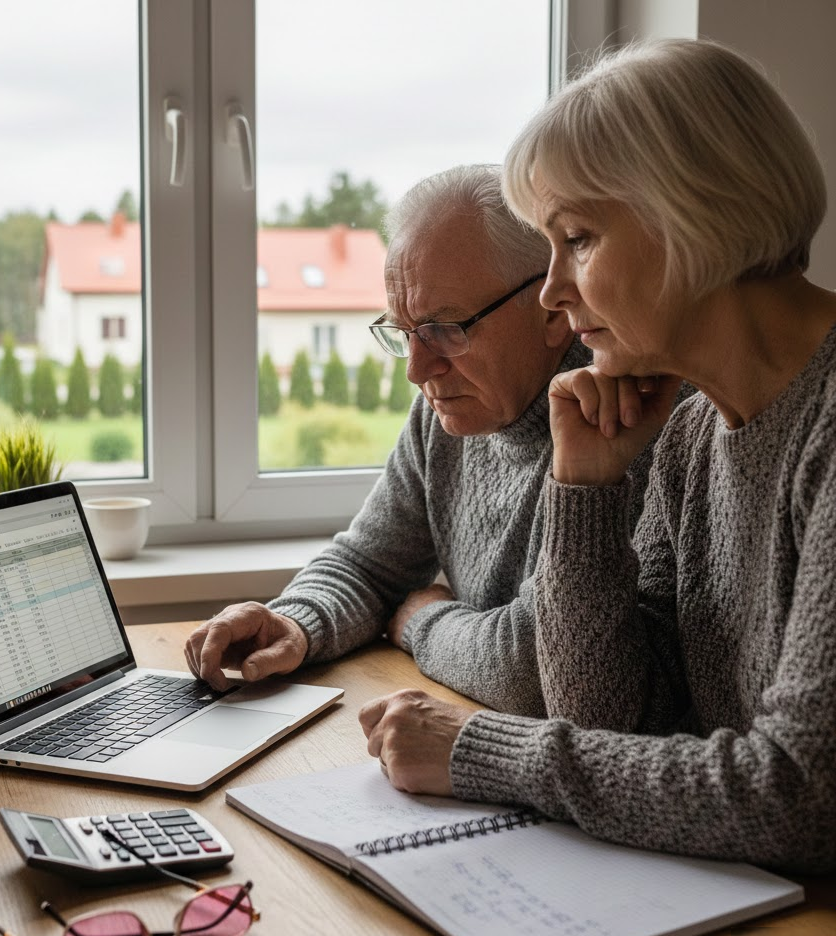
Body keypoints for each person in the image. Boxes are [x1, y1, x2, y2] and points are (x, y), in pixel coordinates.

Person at [359, 38, 836, 874]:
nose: (551, 291)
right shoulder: (692, 436)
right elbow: (609, 719)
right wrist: (584, 488)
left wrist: (482, 751)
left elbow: (798, 797)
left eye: (576, 238)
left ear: (699, 212)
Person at [185, 164, 659, 712]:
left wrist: (421, 621)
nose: (416, 369)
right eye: (404, 332)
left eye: (445, 329)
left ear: (550, 309)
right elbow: (370, 565)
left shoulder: (624, 420)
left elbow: (536, 666)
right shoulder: (449, 410)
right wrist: (295, 621)